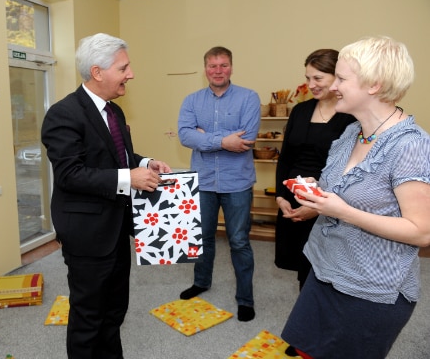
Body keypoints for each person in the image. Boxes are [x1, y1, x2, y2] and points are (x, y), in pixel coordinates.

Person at [281, 36, 430, 358]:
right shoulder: (351, 133)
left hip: (371, 289)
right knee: (305, 349)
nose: (335, 86)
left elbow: (422, 232)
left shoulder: (410, 145)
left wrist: (344, 211)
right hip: (323, 269)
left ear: (374, 85)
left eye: (343, 79)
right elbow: (339, 190)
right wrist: (314, 192)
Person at [41, 33, 171, 359]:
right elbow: (71, 174)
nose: (131, 74)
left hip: (115, 229)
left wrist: (143, 162)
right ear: (98, 72)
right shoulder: (63, 114)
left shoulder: (114, 111)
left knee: (114, 311)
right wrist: (130, 177)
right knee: (88, 318)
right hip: (86, 235)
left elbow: (117, 155)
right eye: (124, 67)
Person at [177, 46, 260, 322]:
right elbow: (185, 135)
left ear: (231, 67)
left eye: (223, 65)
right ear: (205, 69)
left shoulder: (249, 98)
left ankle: (245, 299)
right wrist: (224, 141)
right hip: (203, 182)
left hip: (237, 183)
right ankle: (201, 282)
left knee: (238, 241)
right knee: (202, 237)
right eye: (213, 66)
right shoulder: (191, 100)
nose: (218, 71)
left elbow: (246, 138)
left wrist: (206, 138)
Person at [274, 49, 356, 290]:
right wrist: (280, 196)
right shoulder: (300, 111)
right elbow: (286, 157)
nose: (310, 84)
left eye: (318, 78)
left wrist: (317, 206)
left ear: (337, 77)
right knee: (302, 264)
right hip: (294, 197)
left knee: (326, 268)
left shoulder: (351, 116)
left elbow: (350, 169)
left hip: (331, 200)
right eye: (308, 78)